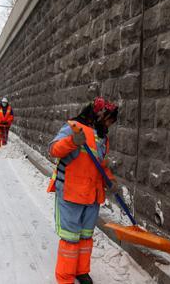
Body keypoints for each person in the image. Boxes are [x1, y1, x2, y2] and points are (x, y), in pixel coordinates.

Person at [47, 97, 119, 284]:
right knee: (70, 239)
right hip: (71, 192)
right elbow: (53, 149)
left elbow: (100, 164)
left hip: (92, 195)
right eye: (108, 119)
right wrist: (72, 141)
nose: (109, 124)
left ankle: (81, 271)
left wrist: (109, 180)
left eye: (112, 121)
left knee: (86, 237)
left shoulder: (103, 137)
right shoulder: (74, 127)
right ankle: (65, 277)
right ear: (99, 115)